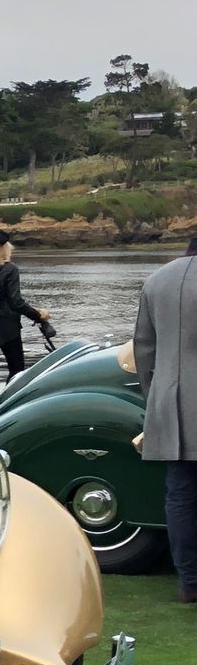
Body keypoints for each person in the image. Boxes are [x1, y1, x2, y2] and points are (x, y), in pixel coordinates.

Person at [133, 237, 197, 603]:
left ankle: (189, 581)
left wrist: (154, 396)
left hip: (171, 401)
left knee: (181, 494)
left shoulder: (158, 280)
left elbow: (144, 346)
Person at [0, 229, 55, 410]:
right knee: (16, 369)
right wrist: (38, 315)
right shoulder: (10, 270)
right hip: (7, 326)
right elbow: (16, 302)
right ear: (5, 248)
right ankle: (6, 405)